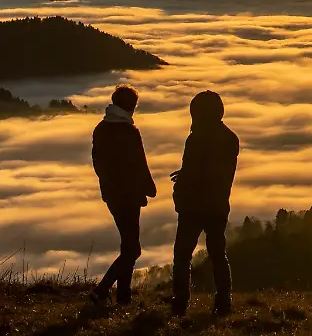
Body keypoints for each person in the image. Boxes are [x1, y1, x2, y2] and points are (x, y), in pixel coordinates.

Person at [171, 90, 240, 318]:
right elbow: (216, 171)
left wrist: (179, 191)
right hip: (218, 205)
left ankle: (180, 303)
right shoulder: (230, 138)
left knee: (182, 255)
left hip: (193, 206)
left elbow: (194, 171)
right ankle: (223, 302)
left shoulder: (195, 138)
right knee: (218, 254)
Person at [89, 84, 156, 306]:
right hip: (130, 195)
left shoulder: (100, 129)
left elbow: (97, 163)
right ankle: (102, 290)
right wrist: (150, 188)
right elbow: (140, 163)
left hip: (111, 194)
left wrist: (107, 186)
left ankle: (123, 296)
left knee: (128, 245)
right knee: (133, 249)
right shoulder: (130, 131)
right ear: (131, 106)